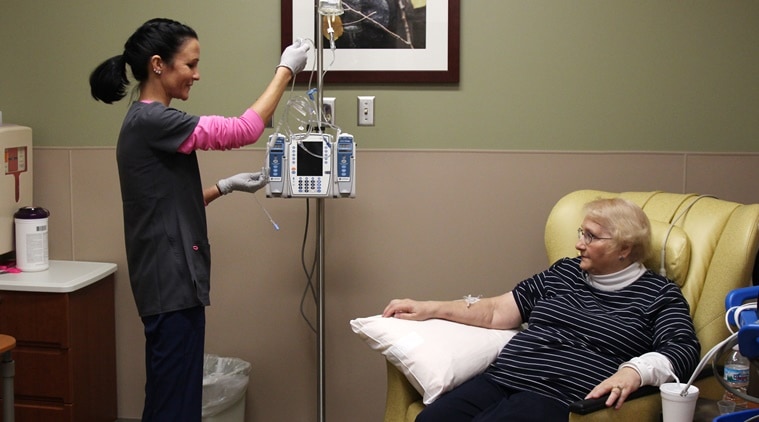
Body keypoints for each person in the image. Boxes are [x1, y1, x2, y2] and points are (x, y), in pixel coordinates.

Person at [88, 18, 309, 421]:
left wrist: (223, 187)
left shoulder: (147, 123)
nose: (197, 74)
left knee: (170, 398)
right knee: (174, 406)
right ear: (158, 64)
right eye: (190, 64)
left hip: (171, 282)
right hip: (169, 283)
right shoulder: (152, 120)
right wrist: (287, 69)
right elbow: (243, 130)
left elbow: (163, 203)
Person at [383, 198, 700, 422]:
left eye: (591, 237)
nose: (579, 244)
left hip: (560, 395)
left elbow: (684, 350)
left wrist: (634, 371)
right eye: (581, 233)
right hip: (503, 378)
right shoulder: (564, 272)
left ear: (624, 249)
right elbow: (496, 311)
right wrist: (430, 308)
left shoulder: (659, 295)